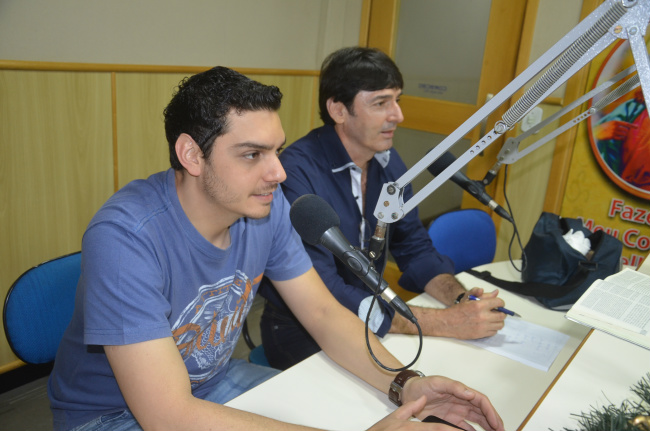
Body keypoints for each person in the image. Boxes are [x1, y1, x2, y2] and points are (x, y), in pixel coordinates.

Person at [46, 66, 504, 431]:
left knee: (357, 412)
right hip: (113, 415)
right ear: (191, 155)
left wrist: (406, 384)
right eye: (252, 155)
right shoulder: (125, 238)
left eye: (277, 151)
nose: (279, 173)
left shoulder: (266, 210)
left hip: (212, 384)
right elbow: (168, 417)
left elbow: (323, 315)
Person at [259, 47, 507, 370]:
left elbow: (414, 246)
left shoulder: (389, 164)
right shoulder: (296, 173)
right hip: (303, 328)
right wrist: (445, 323)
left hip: (373, 314)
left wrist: (460, 300)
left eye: (397, 100)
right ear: (338, 110)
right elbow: (325, 291)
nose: (398, 116)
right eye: (380, 103)